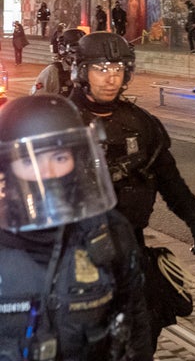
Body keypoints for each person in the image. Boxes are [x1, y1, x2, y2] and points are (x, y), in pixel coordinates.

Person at [67, 32, 195, 350]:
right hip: (74, 256)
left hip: (132, 249)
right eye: (101, 68)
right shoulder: (60, 122)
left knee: (142, 336)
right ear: (81, 71)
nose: (111, 78)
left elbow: (168, 177)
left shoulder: (142, 124)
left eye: (118, 69)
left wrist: (194, 219)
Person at [0, 95, 153, 360]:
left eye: (59, 157)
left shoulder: (109, 233)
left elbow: (134, 318)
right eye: (29, 162)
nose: (46, 172)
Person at [31, 28, 85, 97]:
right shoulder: (52, 71)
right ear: (64, 50)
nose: (78, 55)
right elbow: (37, 100)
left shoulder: (88, 70)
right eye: (74, 50)